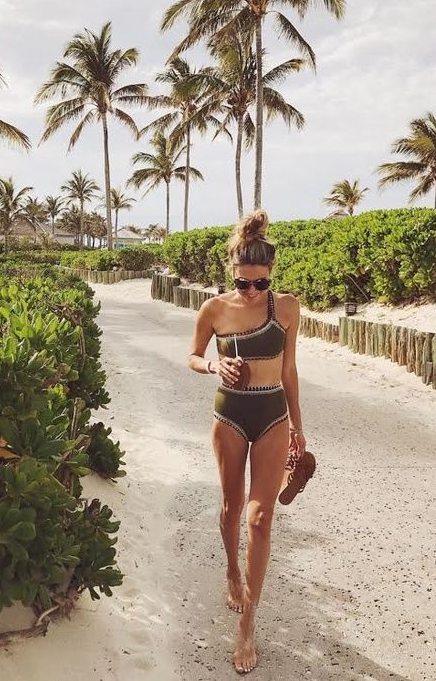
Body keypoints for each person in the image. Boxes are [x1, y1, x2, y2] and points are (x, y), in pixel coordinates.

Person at [188, 210, 307, 674]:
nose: (252, 292)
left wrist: (298, 427)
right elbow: (193, 356)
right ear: (232, 274)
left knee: (260, 519)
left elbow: (291, 370)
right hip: (230, 416)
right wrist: (215, 367)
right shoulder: (214, 309)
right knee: (231, 507)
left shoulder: (288, 308)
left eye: (260, 284)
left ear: (270, 276)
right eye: (244, 283)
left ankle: (248, 624)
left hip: (273, 415)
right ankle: (231, 571)